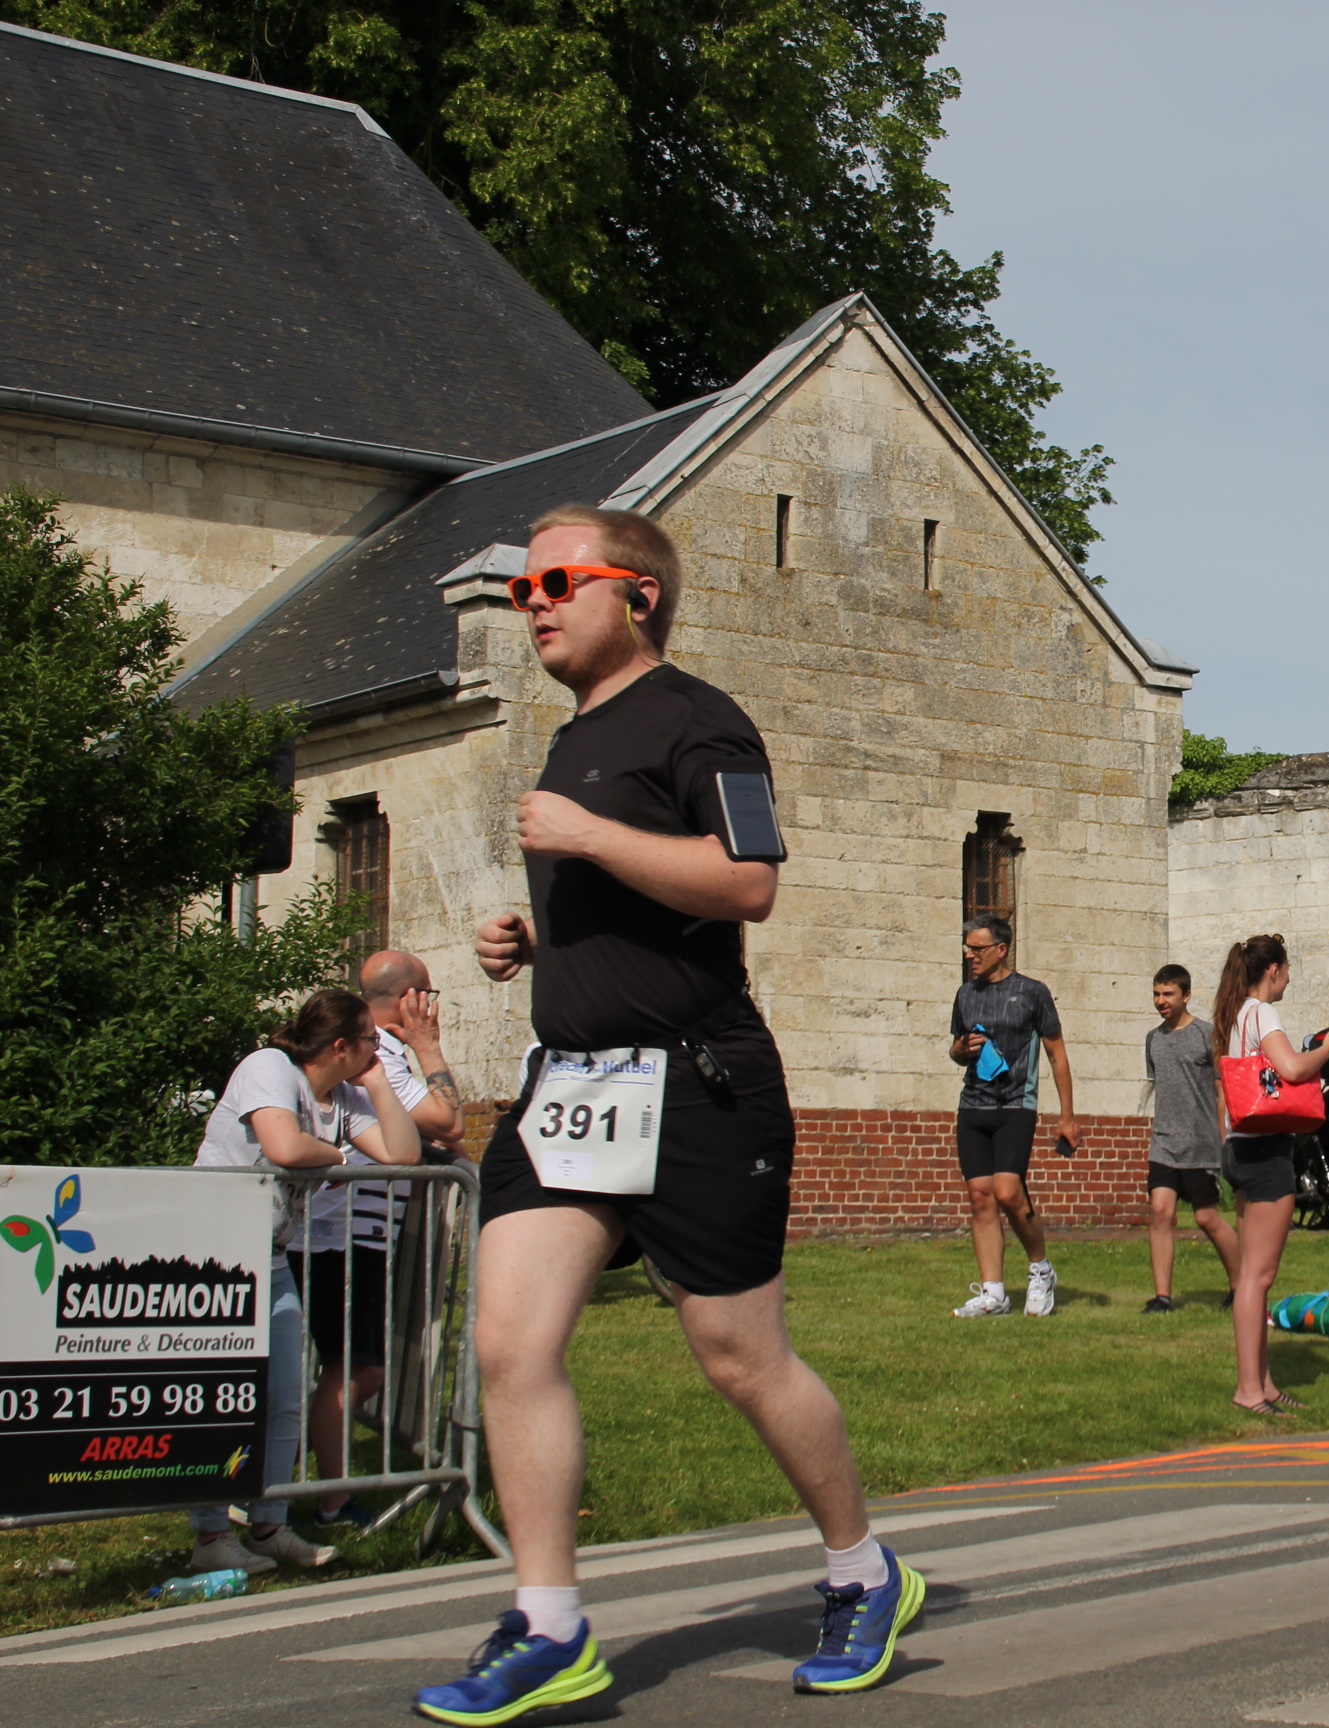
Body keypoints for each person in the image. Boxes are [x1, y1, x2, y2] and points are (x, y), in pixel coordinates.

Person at [425, 506, 920, 1722]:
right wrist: (534, 936)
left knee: (740, 1357)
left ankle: (864, 1572)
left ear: (637, 593)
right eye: (523, 588)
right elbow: (637, 904)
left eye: (556, 582)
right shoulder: (570, 739)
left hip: (696, 1083)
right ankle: (550, 1625)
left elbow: (747, 882)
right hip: (572, 1086)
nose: (532, 604)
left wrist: (587, 836)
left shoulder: (701, 720)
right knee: (510, 1343)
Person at [190, 989, 420, 1575]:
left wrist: (378, 1084)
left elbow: (403, 1153)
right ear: (340, 1045)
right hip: (213, 1255)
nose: (377, 1050)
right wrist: (339, 1159)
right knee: (223, 1399)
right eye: (369, 1042)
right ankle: (210, 1535)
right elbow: (284, 1145)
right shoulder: (269, 1067)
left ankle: (269, 1527)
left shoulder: (345, 1096)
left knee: (286, 1399)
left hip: (269, 1257)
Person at [304, 951, 467, 1529]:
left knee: (353, 1367)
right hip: (347, 1235)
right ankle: (322, 1495)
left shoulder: (376, 1055)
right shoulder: (383, 1057)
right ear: (409, 999)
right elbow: (449, 1121)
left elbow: (423, 1143)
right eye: (430, 994)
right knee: (357, 1370)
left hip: (362, 1233)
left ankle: (305, 1481)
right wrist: (428, 1047)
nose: (433, 1006)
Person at [1212, 934, 1329, 1415]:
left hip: (1239, 1146)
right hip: (1267, 1151)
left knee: (1254, 1276)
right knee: (1257, 1277)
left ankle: (1263, 1383)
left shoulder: (1233, 1014)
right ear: (1273, 970)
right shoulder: (1263, 1013)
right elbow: (1291, 1070)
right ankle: (1249, 1390)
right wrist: (1328, 1049)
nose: (1289, 979)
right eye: (1287, 970)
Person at [948, 914, 1078, 1318]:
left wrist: (1067, 1116)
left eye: (977, 948)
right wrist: (961, 1050)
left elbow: (1057, 1054)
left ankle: (1041, 1270)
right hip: (973, 1106)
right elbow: (956, 1050)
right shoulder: (965, 994)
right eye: (967, 948)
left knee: (1007, 1191)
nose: (970, 955)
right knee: (980, 1198)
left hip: (1015, 1106)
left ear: (1001, 949)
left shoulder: (1032, 992)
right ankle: (994, 1294)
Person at [1143, 963, 1239, 1313]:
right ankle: (1162, 1297)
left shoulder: (1207, 1035)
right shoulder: (1153, 1039)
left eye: (1168, 994)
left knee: (1206, 1218)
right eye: (1157, 994)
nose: (1161, 1000)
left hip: (1201, 1142)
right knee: (1160, 1211)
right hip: (1164, 1142)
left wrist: (1224, 1137)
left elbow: (1222, 1091)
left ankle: (1241, 1285)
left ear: (1186, 995)